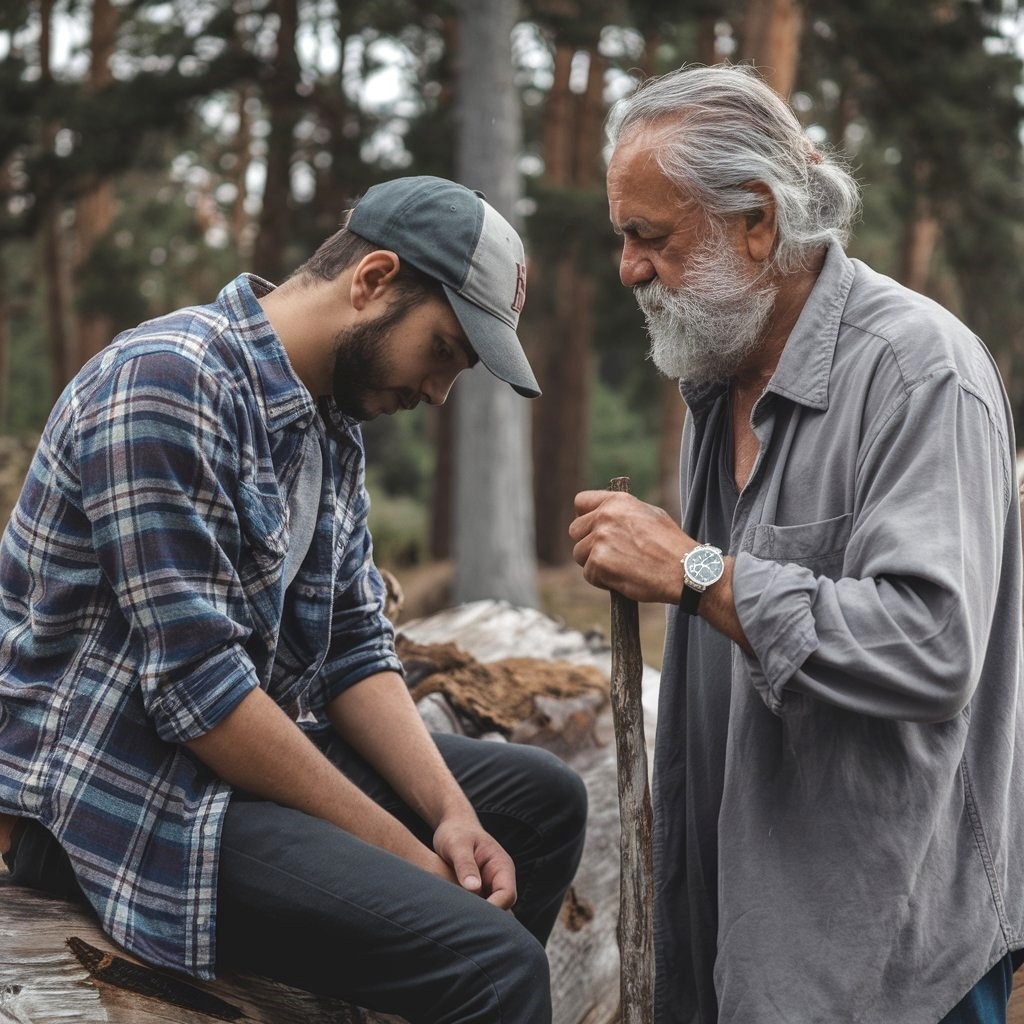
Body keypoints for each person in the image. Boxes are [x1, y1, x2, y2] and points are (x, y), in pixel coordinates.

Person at [0, 175, 587, 1023]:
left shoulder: (327, 424)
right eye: (445, 351)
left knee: (538, 804)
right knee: (491, 963)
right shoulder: (166, 383)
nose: (437, 393)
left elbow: (355, 648)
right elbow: (201, 697)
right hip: (110, 795)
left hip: (222, 767)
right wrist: (402, 857)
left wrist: (449, 819)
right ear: (374, 279)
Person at [569, 65, 1024, 1024]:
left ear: (759, 223)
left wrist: (696, 571)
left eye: (652, 237)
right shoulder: (717, 372)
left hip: (887, 960)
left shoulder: (919, 373)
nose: (629, 269)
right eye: (624, 236)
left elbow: (932, 646)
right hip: (740, 938)